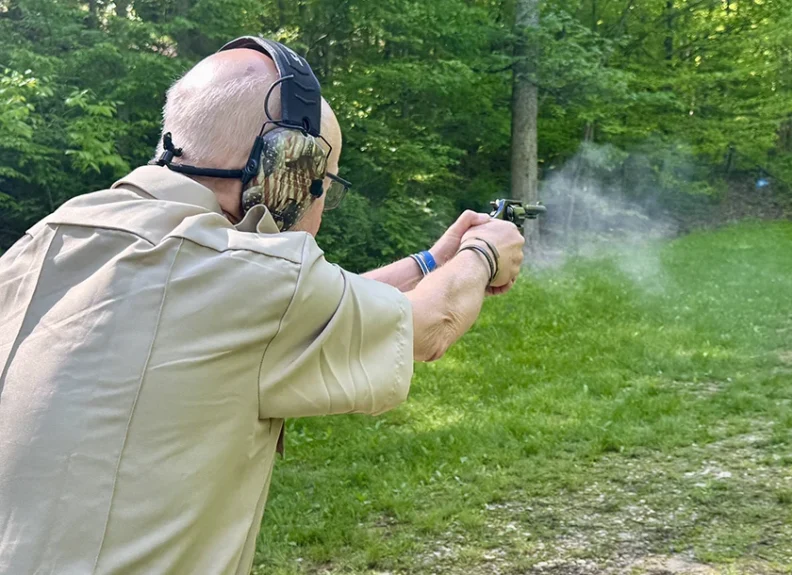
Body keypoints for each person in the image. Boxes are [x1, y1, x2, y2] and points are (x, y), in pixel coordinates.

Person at [0, 37, 524, 574]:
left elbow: (304, 315)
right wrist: (486, 252)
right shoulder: (249, 280)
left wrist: (432, 262)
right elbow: (429, 326)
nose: (322, 208)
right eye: (325, 185)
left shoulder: (47, 240)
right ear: (287, 170)